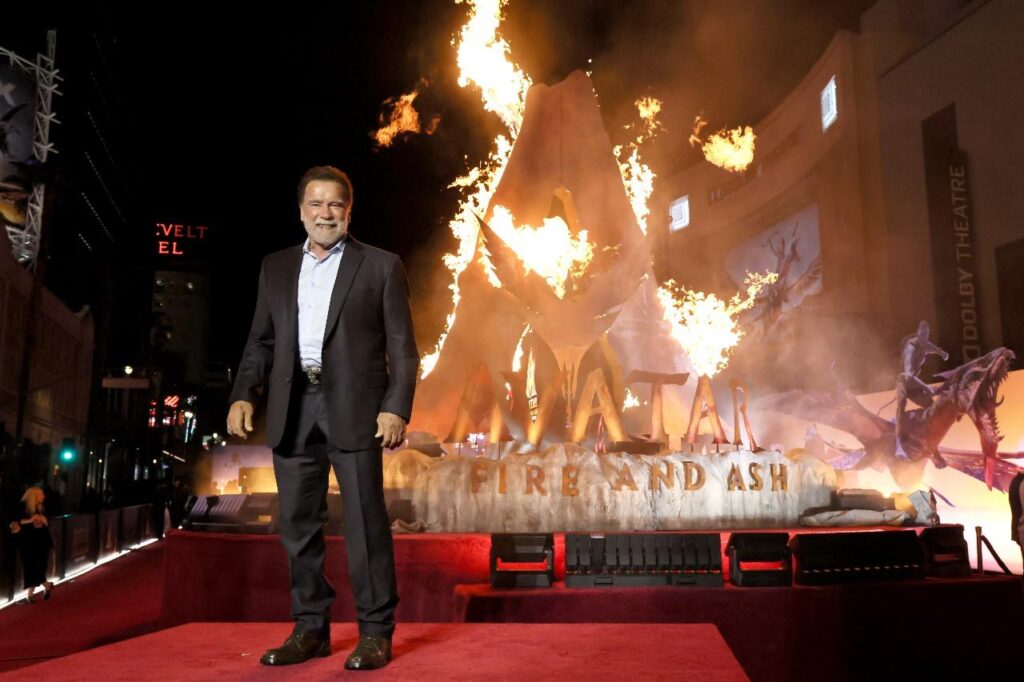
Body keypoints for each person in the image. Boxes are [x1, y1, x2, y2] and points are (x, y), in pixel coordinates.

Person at [226, 165, 418, 671]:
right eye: (316, 204)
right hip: (293, 408)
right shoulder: (275, 266)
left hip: (356, 409)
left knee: (365, 524)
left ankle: (375, 632)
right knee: (296, 525)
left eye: (335, 204)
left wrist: (395, 406)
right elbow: (261, 340)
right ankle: (310, 629)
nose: (325, 213)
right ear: (301, 211)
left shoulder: (380, 266)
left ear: (349, 212)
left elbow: (403, 347)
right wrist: (243, 394)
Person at [9, 487, 54, 602]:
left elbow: (47, 523)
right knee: (31, 567)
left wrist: (44, 520)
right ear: (34, 496)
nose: (43, 496)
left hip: (42, 542)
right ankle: (46, 586)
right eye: (41, 494)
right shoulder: (22, 507)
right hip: (28, 543)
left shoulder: (41, 508)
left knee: (40, 567)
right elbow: (14, 521)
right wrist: (31, 519)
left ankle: (30, 594)